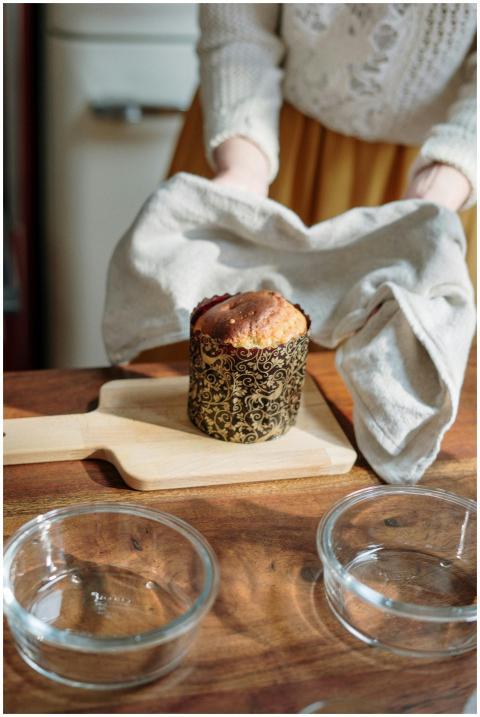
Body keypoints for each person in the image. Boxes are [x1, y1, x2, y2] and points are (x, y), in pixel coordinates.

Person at [135, 3, 476, 363]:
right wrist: (242, 171)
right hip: (257, 133)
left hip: (433, 171)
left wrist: (432, 198)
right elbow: (238, 25)